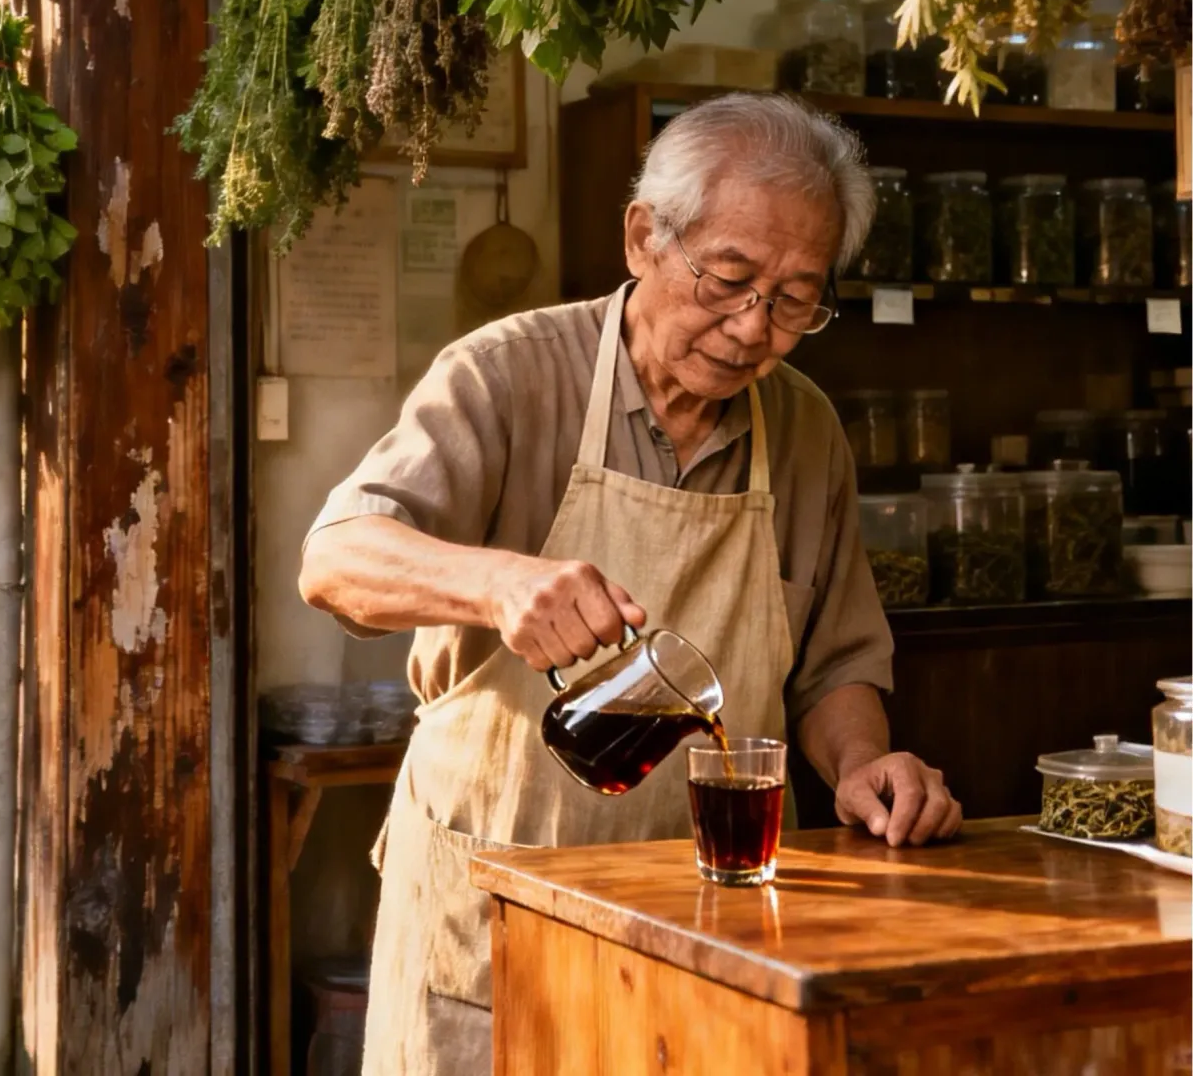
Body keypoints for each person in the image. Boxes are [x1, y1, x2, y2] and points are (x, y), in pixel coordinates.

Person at [297, 94, 962, 1072]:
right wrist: (497, 586)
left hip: (703, 924)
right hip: (498, 916)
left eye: (794, 301)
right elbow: (338, 559)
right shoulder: (508, 376)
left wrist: (862, 763)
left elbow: (834, 663)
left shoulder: (807, 430)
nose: (752, 328)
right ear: (644, 237)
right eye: (730, 280)